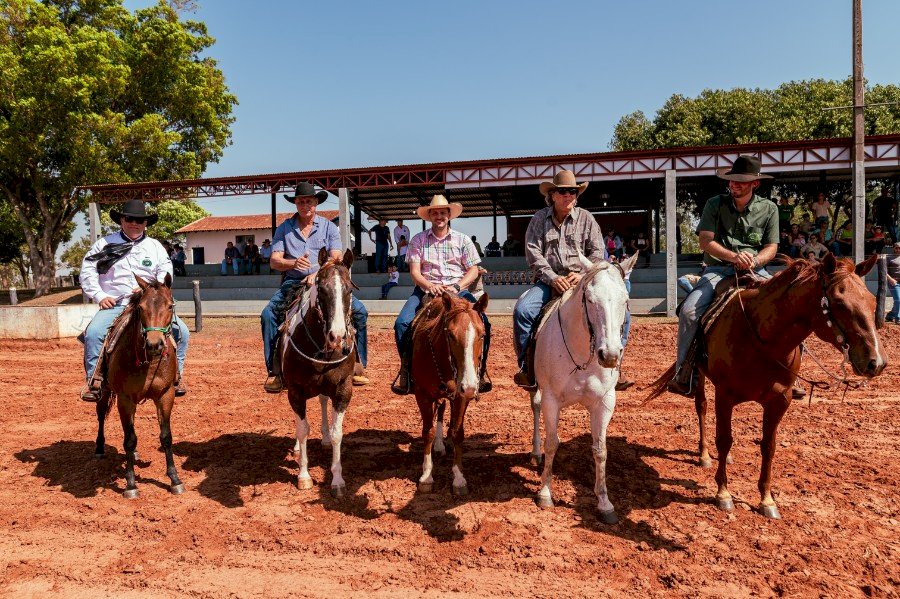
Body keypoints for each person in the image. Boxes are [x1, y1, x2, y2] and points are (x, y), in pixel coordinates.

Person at [667, 155, 781, 396]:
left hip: (755, 269)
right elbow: (705, 241)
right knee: (688, 311)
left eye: (741, 181)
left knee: (788, 302)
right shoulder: (714, 204)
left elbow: (772, 247)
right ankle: (684, 373)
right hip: (717, 271)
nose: (734, 184)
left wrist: (756, 260)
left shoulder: (769, 209)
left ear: (755, 184)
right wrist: (733, 257)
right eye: (732, 180)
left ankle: (790, 374)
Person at [261, 182, 370, 393]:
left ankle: (358, 364)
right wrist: (293, 263)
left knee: (360, 312)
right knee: (268, 315)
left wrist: (317, 274)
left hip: (325, 281)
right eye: (300, 202)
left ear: (316, 203)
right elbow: (274, 261)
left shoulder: (329, 227)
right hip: (293, 283)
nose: (304, 205)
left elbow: (336, 256)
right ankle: (275, 371)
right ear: (296, 204)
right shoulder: (284, 228)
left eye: (308, 201)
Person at [79, 199, 189, 401]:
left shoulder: (155, 247)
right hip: (116, 305)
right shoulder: (104, 244)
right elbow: (87, 271)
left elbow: (165, 271)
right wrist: (100, 296)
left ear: (146, 223)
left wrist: (149, 288)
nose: (134, 223)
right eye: (129, 219)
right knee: (94, 333)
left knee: (183, 332)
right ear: (121, 220)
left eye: (140, 220)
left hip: (148, 306)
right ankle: (94, 381)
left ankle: (176, 376)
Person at [512, 169, 604, 388]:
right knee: (523, 311)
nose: (568, 196)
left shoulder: (586, 218)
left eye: (572, 191)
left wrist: (582, 275)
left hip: (580, 281)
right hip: (547, 282)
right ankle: (528, 367)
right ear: (552, 195)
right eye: (563, 191)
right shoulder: (538, 219)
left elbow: (598, 253)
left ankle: (614, 365)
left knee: (617, 313)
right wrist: (553, 278)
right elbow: (533, 253)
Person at [391, 194, 491, 394]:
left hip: (457, 292)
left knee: (484, 324)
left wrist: (457, 285)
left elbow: (473, 269)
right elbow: (414, 272)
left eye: (443, 212)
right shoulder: (418, 240)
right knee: (401, 323)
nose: (439, 216)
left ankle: (481, 371)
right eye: (435, 213)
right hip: (426, 290)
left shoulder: (462, 240)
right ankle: (406, 370)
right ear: (429, 216)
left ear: (449, 215)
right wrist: (429, 285)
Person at [886, 241, 900, 323]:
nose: (898, 250)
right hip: (894, 282)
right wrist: (890, 279)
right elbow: (884, 271)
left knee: (898, 301)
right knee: (898, 300)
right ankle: (898, 318)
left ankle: (890, 315)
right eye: (896, 248)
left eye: (899, 248)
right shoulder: (889, 257)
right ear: (894, 248)